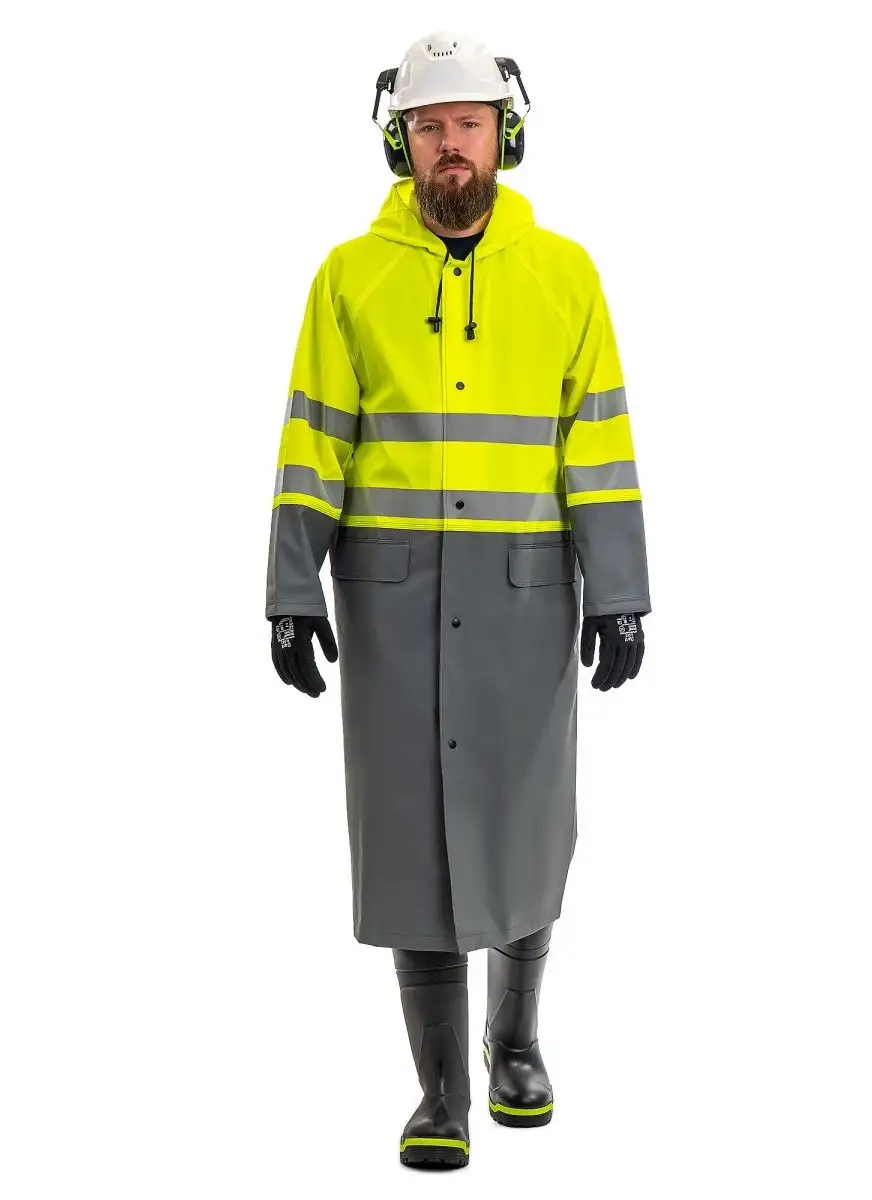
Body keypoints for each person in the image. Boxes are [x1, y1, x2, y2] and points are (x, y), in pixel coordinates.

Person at [265, 29, 652, 1169]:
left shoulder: (566, 275)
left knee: (527, 820)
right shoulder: (348, 277)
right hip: (390, 597)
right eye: (429, 127)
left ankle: (515, 1044)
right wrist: (291, 587)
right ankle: (440, 1090)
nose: (450, 146)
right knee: (410, 835)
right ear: (401, 143)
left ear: (504, 135)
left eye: (468, 125)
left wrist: (620, 590)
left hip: (527, 594)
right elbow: (313, 439)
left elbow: (599, 443)